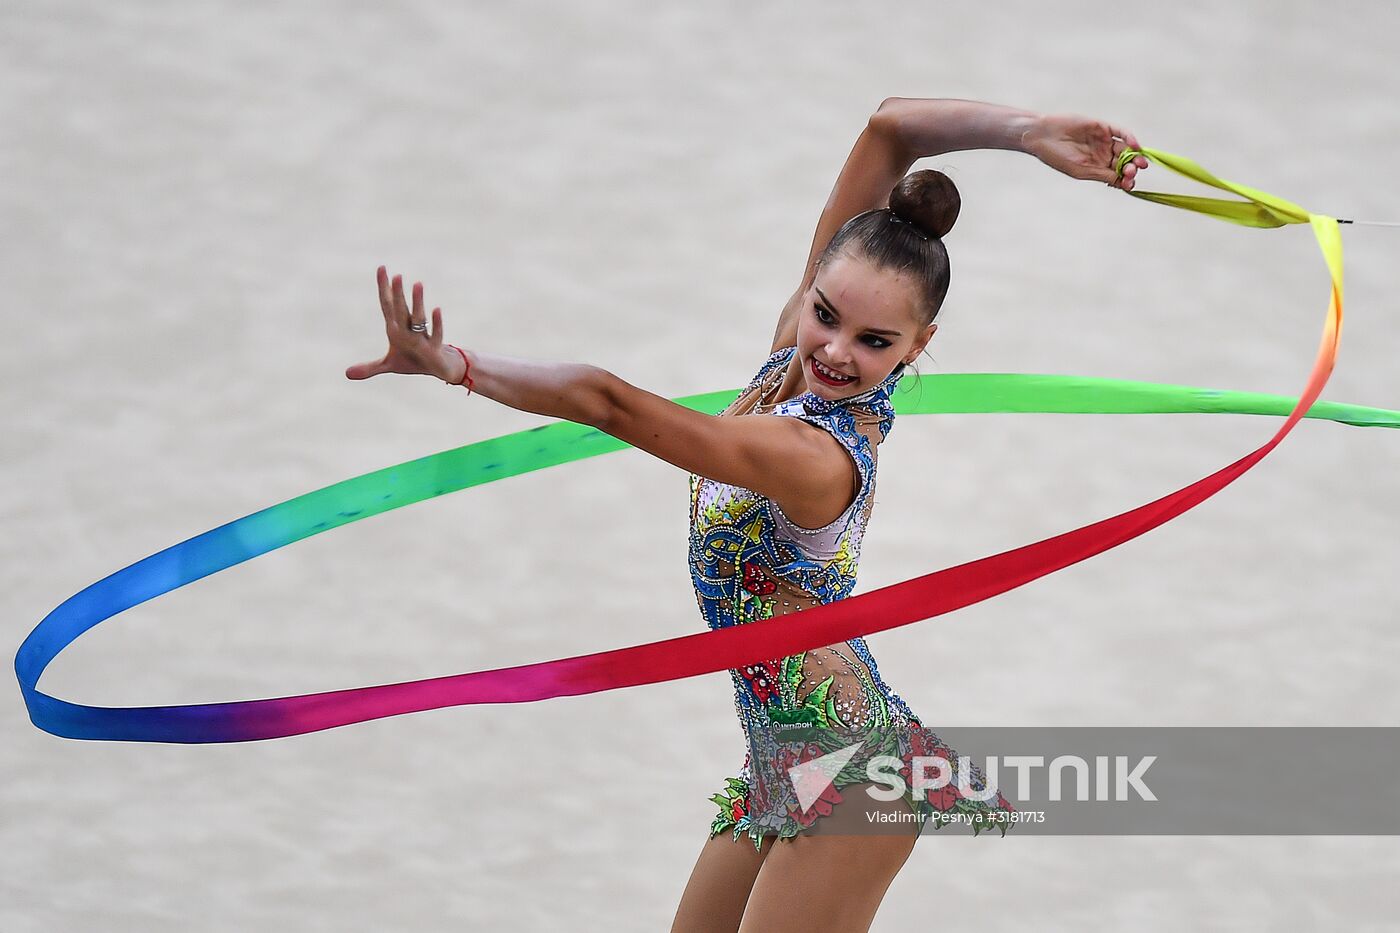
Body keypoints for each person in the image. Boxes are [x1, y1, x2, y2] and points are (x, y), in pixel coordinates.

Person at [347, 96, 1148, 933]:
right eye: (826, 314)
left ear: (918, 345)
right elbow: (890, 128)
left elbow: (609, 403)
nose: (837, 351)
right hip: (784, 763)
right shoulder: (786, 363)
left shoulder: (814, 456)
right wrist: (1028, 135)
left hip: (849, 775)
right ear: (811, 293)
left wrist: (456, 364)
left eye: (876, 341)